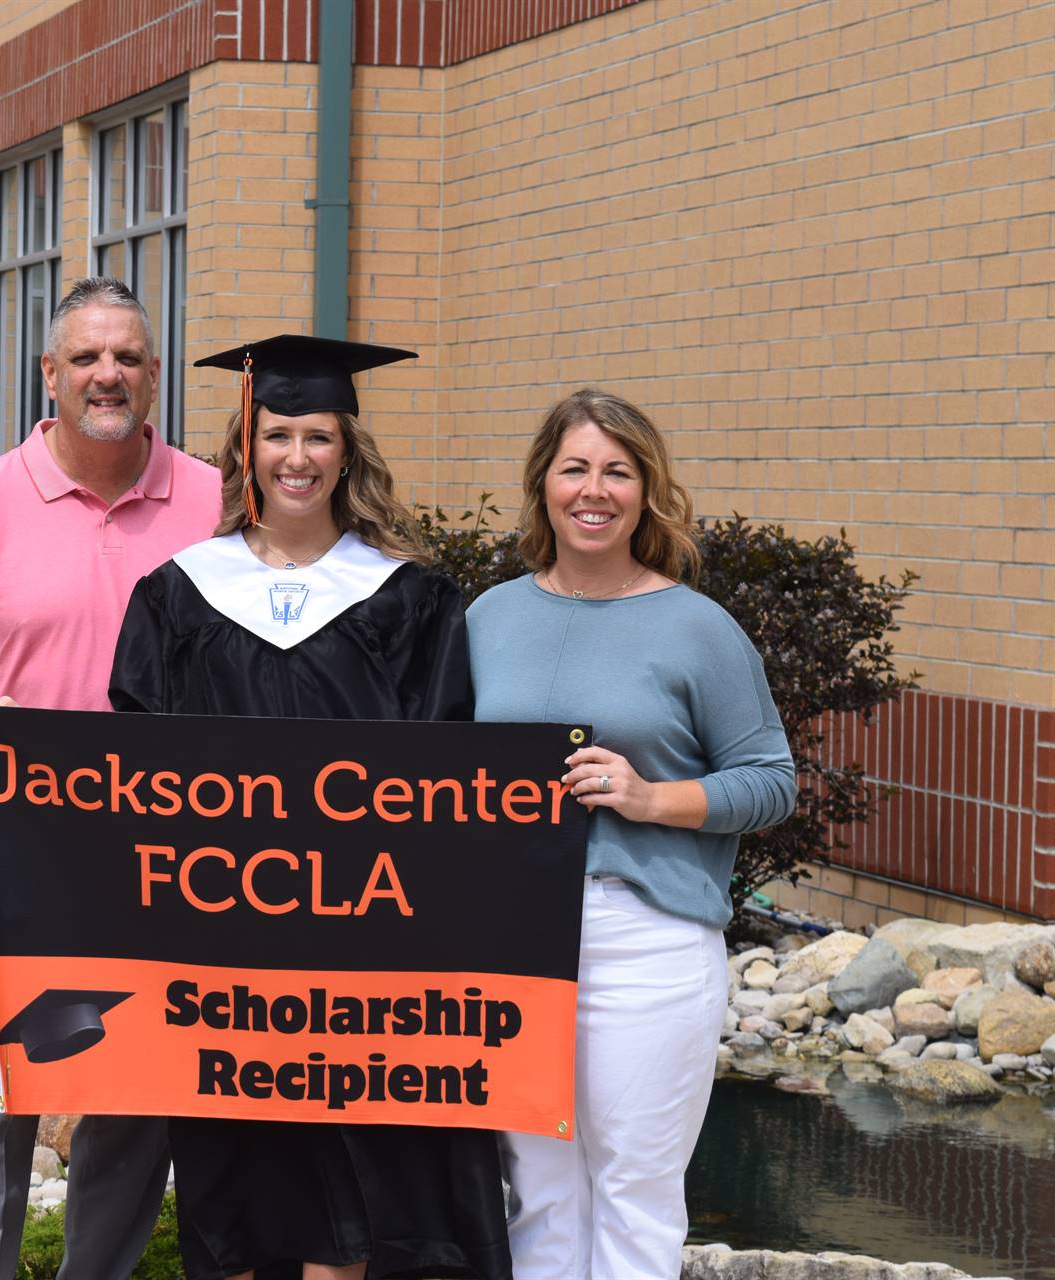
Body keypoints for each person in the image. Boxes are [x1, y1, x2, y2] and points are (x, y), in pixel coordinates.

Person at [105, 334, 512, 1280]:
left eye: (318, 436)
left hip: (366, 962)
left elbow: (449, 773)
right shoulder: (177, 596)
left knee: (362, 1196)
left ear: (348, 450)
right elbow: (128, 773)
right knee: (230, 1182)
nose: (296, 457)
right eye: (277, 433)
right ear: (244, 449)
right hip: (220, 960)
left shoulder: (413, 600)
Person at [0, 276, 221, 1280]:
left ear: (153, 376)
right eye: (86, 357)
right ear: (50, 374)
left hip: (171, 855)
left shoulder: (212, 503)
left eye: (126, 357)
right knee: (1, 1094)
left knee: (135, 1095)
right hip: (23, 852)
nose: (106, 374)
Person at [465, 388, 796, 1279]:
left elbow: (771, 782)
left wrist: (651, 798)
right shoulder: (489, 619)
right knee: (535, 1192)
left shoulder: (696, 627)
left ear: (648, 491)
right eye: (575, 468)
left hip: (643, 938)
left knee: (634, 1194)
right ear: (543, 486)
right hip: (513, 939)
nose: (594, 490)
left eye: (618, 471)